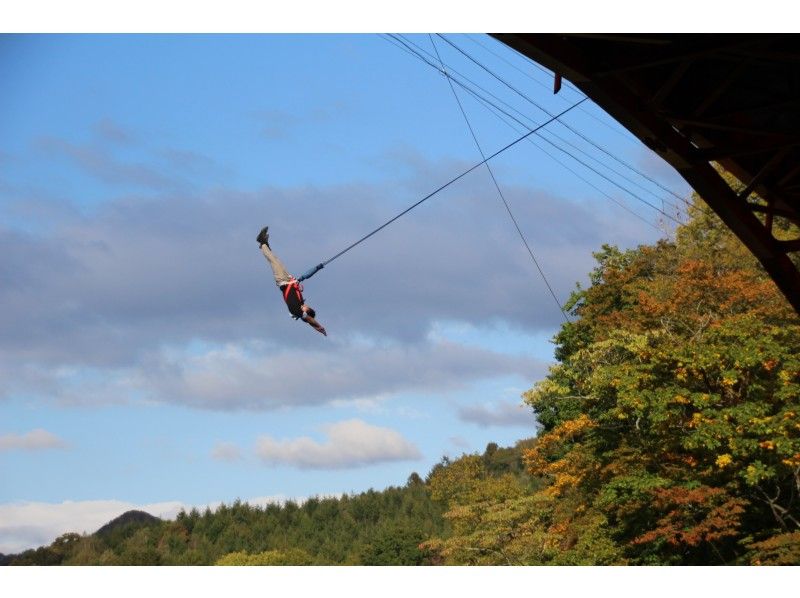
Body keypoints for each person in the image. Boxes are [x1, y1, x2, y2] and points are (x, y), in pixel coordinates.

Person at [257, 226, 327, 336]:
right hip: (288, 279)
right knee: (275, 259)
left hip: (283, 281)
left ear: (305, 312)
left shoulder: (296, 311)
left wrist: (319, 326)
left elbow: (309, 320)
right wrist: (318, 268)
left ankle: (262, 242)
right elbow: (309, 322)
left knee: (273, 261)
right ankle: (264, 243)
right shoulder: (300, 304)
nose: (306, 305)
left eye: (307, 307)